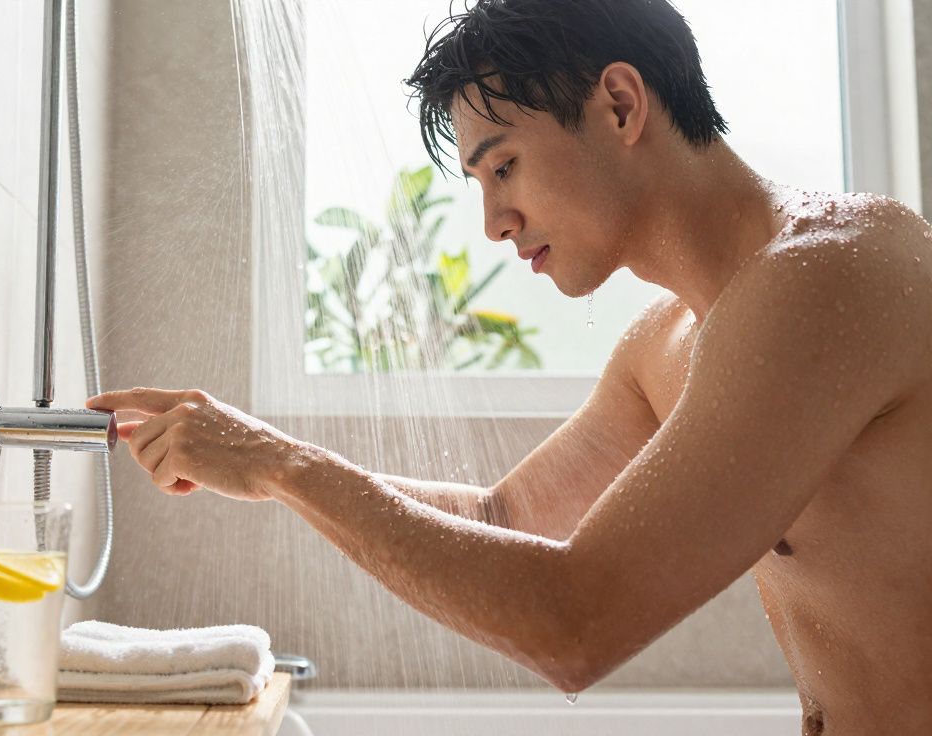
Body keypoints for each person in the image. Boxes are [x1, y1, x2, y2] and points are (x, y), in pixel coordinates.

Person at [88, 1, 932, 732]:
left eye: (503, 165)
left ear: (619, 103)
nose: (493, 222)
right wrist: (260, 458)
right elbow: (506, 514)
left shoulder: (831, 276)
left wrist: (285, 466)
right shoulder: (666, 346)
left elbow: (576, 623)